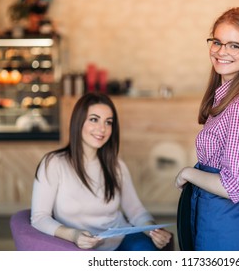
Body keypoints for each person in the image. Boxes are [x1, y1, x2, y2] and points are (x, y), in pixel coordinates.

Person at [175, 7, 239, 251]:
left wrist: (187, 173)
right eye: (218, 42)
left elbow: (233, 187)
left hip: (229, 223)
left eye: (234, 45)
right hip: (220, 215)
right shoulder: (230, 94)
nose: (222, 51)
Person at [31, 92, 172, 250]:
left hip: (120, 240)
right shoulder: (53, 163)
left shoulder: (116, 165)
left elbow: (135, 211)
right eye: (94, 119)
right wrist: (74, 235)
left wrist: (153, 230)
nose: (102, 129)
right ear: (79, 122)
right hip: (75, 247)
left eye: (108, 122)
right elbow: (39, 217)